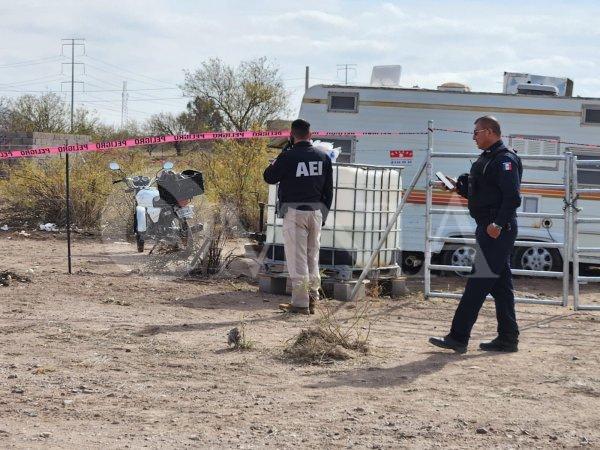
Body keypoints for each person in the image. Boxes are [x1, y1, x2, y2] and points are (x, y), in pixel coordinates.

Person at [429, 115, 523, 353]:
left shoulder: (504, 160)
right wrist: (457, 186)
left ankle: (458, 337)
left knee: (478, 282)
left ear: (490, 132)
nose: (473, 137)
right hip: (487, 227)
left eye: (476, 132)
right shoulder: (488, 159)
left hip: (497, 230)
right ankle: (508, 338)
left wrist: (498, 225)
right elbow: (483, 194)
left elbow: (512, 197)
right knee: (501, 287)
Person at [263, 119, 333, 315]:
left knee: (297, 259)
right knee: (312, 257)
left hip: (294, 212)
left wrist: (283, 153)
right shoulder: (323, 157)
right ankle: (312, 298)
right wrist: (323, 215)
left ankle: (300, 303)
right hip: (316, 212)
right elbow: (329, 191)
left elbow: (269, 176)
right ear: (310, 135)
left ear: (292, 135)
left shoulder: (288, 156)